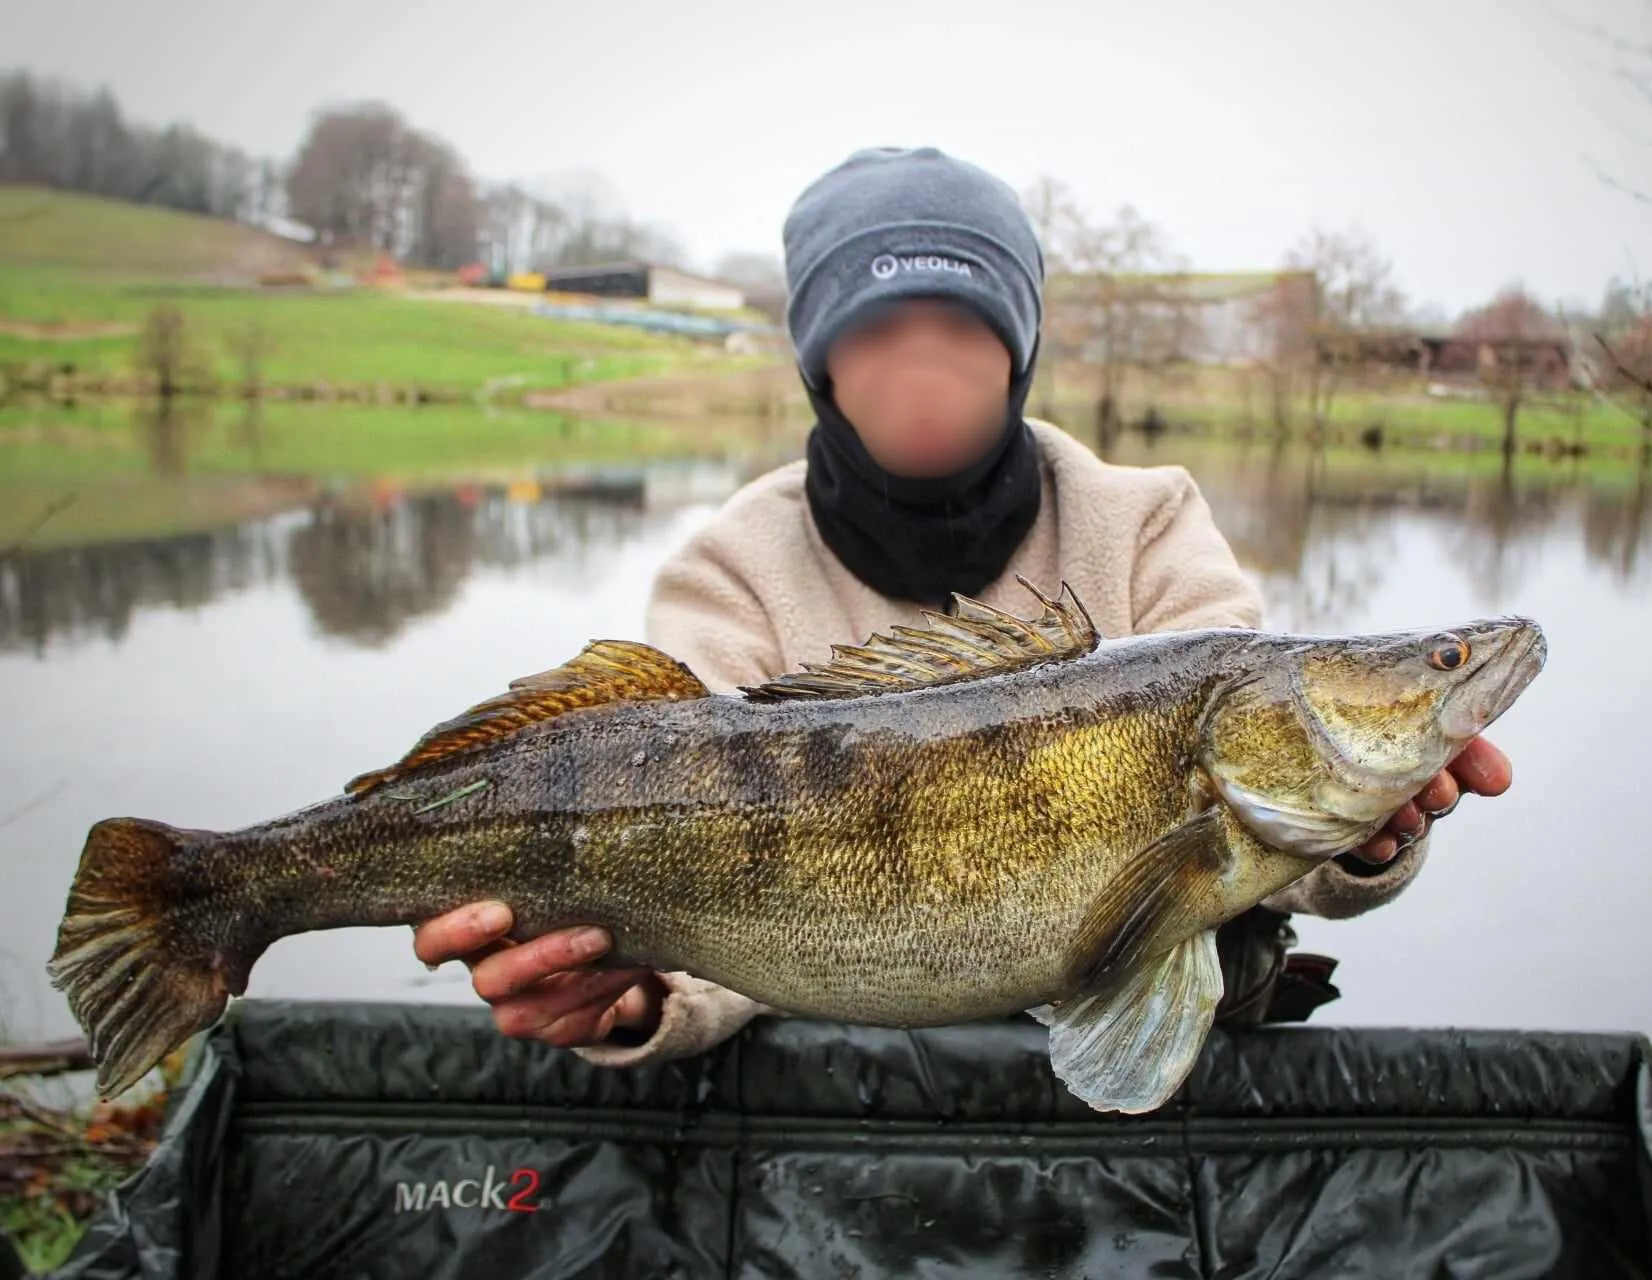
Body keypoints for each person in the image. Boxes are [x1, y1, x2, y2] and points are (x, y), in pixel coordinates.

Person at [413, 145, 1513, 1068]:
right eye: (878, 323)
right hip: (843, 1105)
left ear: (1017, 344)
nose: (923, 359)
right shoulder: (731, 566)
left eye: (960, 319)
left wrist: (1369, 841)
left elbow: (1280, 840)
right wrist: (634, 1002)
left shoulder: (1147, 524)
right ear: (820, 362)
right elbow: (705, 924)